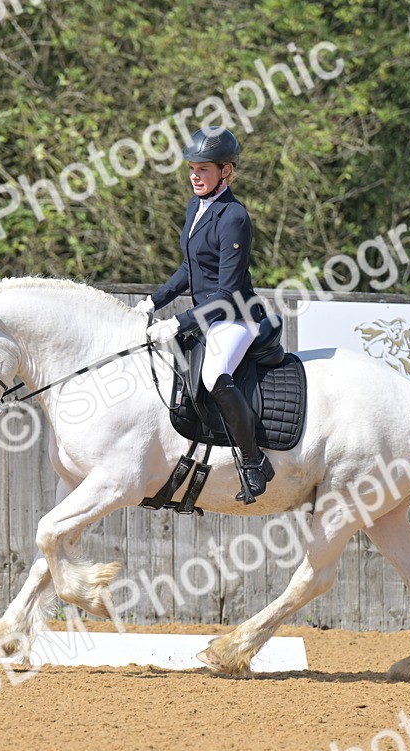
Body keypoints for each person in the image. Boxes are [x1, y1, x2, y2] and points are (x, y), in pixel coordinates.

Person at [136, 126, 275, 502]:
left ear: (226, 171)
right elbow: (189, 269)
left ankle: (253, 460)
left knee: (214, 373)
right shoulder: (195, 207)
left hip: (237, 316)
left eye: (204, 170)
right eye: (192, 169)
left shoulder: (234, 217)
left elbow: (227, 291)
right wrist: (154, 301)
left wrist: (179, 322)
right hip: (208, 316)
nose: (195, 176)